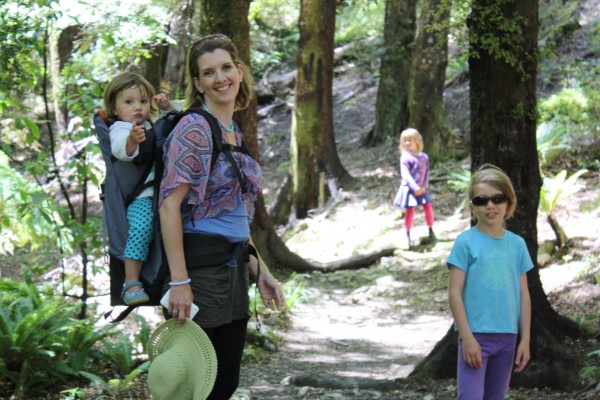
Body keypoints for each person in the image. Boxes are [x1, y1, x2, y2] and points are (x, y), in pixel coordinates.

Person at [158, 34, 286, 400]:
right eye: (208, 73)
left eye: (226, 67)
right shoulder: (194, 128)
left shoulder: (231, 130)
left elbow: (235, 216)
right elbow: (169, 206)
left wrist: (262, 272)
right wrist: (179, 282)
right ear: (198, 84)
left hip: (232, 272)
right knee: (198, 385)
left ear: (240, 71)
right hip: (200, 273)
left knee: (224, 383)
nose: (221, 78)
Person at [447, 164, 532, 400]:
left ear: (509, 202)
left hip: (507, 338)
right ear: (472, 206)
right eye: (481, 200)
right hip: (476, 337)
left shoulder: (517, 245)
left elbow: (524, 294)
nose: (490, 205)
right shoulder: (465, 242)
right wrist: (467, 337)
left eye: (497, 198)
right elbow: (454, 293)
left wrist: (525, 339)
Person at [102, 72, 176, 305]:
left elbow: (178, 118)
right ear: (114, 108)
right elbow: (120, 150)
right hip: (142, 197)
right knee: (142, 228)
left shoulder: (152, 124)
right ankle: (131, 282)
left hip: (167, 195)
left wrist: (167, 107)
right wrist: (133, 140)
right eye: (129, 102)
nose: (138, 107)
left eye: (143, 101)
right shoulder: (122, 129)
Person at [392, 128, 436, 247]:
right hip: (410, 189)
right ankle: (407, 235)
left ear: (417, 141)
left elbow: (426, 172)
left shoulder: (424, 157)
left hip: (422, 188)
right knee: (410, 210)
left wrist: (424, 186)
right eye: (404, 141)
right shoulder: (405, 157)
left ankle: (431, 230)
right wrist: (415, 187)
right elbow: (405, 175)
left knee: (428, 207)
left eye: (409, 140)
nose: (407, 143)